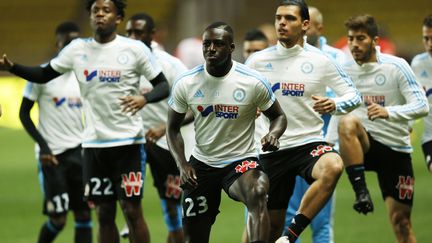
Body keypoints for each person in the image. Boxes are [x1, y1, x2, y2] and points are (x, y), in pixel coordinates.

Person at [0, 0, 170, 243]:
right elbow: (44, 74)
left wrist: (145, 98)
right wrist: (13, 68)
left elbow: (163, 86)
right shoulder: (77, 49)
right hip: (93, 146)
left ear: (118, 18)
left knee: (132, 211)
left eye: (106, 10)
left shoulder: (134, 49)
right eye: (95, 11)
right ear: (90, 17)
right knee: (103, 213)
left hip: (128, 145)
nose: (99, 14)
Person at [245, 1, 361, 242]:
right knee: (270, 227)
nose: (282, 23)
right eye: (278, 18)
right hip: (271, 149)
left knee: (333, 166)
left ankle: (292, 234)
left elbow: (353, 95)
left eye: (289, 18)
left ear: (305, 24)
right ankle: (281, 235)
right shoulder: (257, 61)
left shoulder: (321, 60)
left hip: (309, 144)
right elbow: (241, 98)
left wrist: (335, 104)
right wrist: (248, 109)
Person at [167, 21, 287, 243]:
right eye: (207, 44)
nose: (211, 49)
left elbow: (279, 116)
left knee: (258, 191)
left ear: (232, 48)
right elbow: (172, 128)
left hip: (240, 161)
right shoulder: (186, 82)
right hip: (203, 163)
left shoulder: (252, 82)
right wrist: (183, 165)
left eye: (218, 44)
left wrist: (274, 134)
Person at [338, 14, 428, 243]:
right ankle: (361, 192)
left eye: (360, 38)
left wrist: (389, 112)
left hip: (395, 149)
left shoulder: (397, 66)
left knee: (402, 223)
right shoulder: (344, 70)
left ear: (374, 40)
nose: (354, 44)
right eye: (351, 39)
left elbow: (421, 105)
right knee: (347, 123)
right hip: (364, 145)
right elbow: (339, 114)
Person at [19, 21, 92, 243]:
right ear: (57, 44)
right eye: (67, 42)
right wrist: (43, 146)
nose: (72, 47)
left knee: (83, 214)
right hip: (53, 155)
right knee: (58, 219)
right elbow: (24, 114)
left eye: (75, 42)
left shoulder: (84, 75)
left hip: (79, 152)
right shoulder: (42, 75)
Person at [120, 12, 188, 243]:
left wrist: (164, 127)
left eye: (138, 32)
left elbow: (195, 106)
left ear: (152, 35)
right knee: (129, 207)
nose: (132, 37)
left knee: (172, 211)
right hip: (130, 142)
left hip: (164, 142)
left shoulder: (171, 65)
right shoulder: (118, 63)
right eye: (129, 32)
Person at [283, 6, 347, 243]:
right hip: (291, 143)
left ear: (316, 27)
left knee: (320, 218)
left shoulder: (337, 58)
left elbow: (346, 99)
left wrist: (330, 140)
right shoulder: (286, 59)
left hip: (322, 144)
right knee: (290, 213)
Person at [411, 14, 432, 173]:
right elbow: (412, 99)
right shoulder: (418, 64)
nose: (429, 44)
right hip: (430, 137)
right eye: (426, 39)